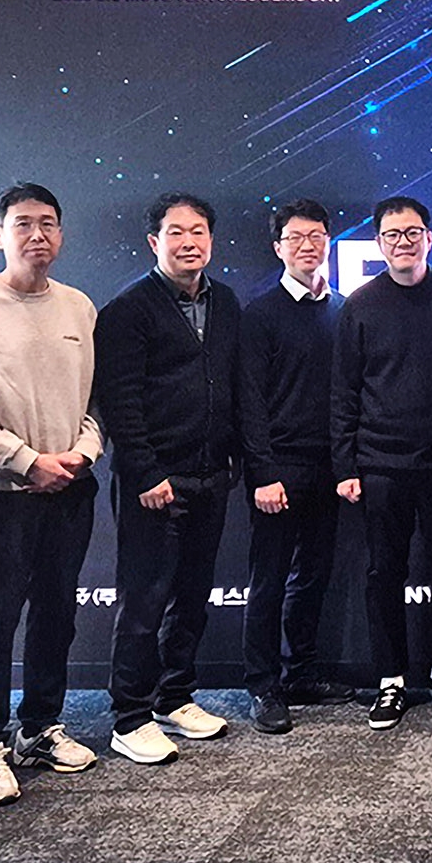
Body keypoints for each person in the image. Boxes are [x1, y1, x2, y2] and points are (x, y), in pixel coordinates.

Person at [95, 192, 241, 765]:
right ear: (154, 242)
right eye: (176, 232)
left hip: (210, 477)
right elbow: (120, 401)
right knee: (144, 601)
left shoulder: (225, 301)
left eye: (198, 231)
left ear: (212, 240)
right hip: (154, 482)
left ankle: (174, 696)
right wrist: (145, 471)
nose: (189, 242)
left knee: (192, 597)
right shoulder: (128, 309)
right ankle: (129, 717)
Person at [331, 196, 432, 731]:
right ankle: (390, 678)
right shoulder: (360, 305)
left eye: (412, 232)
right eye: (392, 234)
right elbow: (343, 392)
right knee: (384, 572)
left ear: (429, 238)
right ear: (379, 243)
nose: (403, 242)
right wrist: (345, 467)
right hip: (380, 463)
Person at [0, 184, 102, 806]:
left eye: (49, 224)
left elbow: (95, 402)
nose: (38, 235)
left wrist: (82, 453)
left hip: (70, 488)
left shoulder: (79, 307)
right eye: (23, 224)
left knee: (57, 614)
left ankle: (38, 727)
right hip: (4, 493)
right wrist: (27, 461)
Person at [238, 198, 355, 735]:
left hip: (329, 468)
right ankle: (263, 685)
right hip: (278, 469)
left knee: (313, 575)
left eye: (316, 236)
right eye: (296, 237)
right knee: (268, 581)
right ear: (278, 247)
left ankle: (301, 672)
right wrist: (263, 474)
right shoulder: (260, 314)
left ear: (328, 242)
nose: (307, 246)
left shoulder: (342, 310)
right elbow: (249, 402)